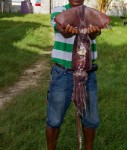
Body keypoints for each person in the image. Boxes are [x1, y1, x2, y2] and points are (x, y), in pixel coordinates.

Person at [46, 0, 101, 149]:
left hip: (88, 74)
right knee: (54, 119)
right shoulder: (59, 11)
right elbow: (60, 28)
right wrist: (65, 29)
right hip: (63, 73)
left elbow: (96, 33)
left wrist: (94, 31)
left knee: (91, 118)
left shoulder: (91, 13)